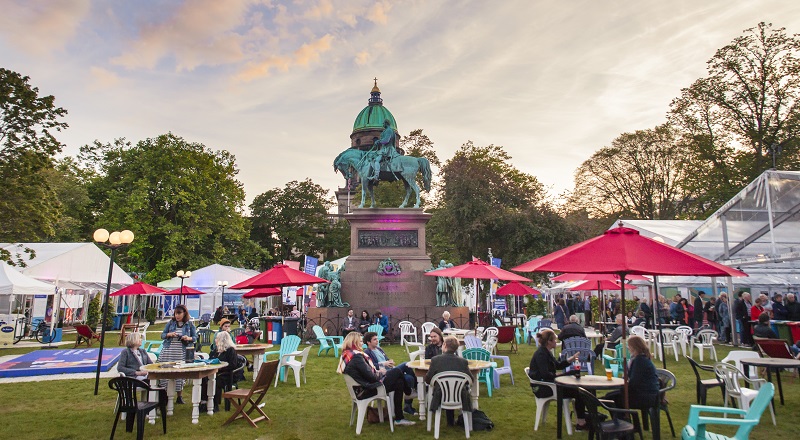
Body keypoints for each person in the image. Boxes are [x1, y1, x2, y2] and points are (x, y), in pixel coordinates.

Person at [337, 332, 415, 426]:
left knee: (399, 382)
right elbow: (371, 377)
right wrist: (381, 373)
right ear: (354, 342)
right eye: (360, 341)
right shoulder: (356, 357)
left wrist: (379, 372)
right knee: (397, 371)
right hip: (368, 389)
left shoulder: (347, 355)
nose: (362, 343)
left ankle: (399, 419)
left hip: (360, 388)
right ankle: (409, 393)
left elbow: (366, 374)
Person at [528, 328, 588, 430]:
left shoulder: (547, 352)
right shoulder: (541, 354)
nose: (556, 342)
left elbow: (558, 365)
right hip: (542, 388)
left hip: (548, 384)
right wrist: (561, 375)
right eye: (554, 340)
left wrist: (571, 359)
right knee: (579, 392)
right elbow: (545, 374)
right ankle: (581, 423)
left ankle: (582, 420)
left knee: (579, 390)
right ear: (549, 342)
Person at [363, 331, 417, 415]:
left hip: (390, 369)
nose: (377, 341)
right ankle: (415, 388)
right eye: (374, 339)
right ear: (368, 342)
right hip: (384, 374)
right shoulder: (367, 352)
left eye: (377, 339)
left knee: (409, 378)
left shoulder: (379, 349)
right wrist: (383, 364)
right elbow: (370, 366)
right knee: (407, 364)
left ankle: (407, 406)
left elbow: (386, 359)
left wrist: (389, 362)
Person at [425, 335, 471, 426]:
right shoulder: (463, 362)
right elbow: (470, 380)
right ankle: (458, 422)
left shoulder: (435, 360)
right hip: (459, 395)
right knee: (456, 388)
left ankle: (449, 422)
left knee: (444, 388)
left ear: (444, 345)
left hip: (440, 394)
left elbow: (428, 380)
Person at [604, 335, 659, 411]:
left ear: (634, 347)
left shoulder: (640, 361)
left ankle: (621, 420)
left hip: (644, 396)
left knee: (611, 399)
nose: (628, 348)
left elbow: (634, 382)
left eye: (629, 346)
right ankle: (620, 419)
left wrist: (622, 387)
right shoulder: (641, 359)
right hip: (646, 393)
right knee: (609, 397)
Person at [160, 305, 197, 404]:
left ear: (184, 313)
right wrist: (169, 334)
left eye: (179, 313)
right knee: (166, 373)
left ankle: (179, 396)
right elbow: (162, 335)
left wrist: (187, 338)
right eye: (176, 313)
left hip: (181, 351)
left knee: (180, 374)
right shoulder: (171, 323)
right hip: (169, 350)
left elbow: (195, 337)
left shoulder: (189, 324)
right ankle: (165, 394)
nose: (177, 316)